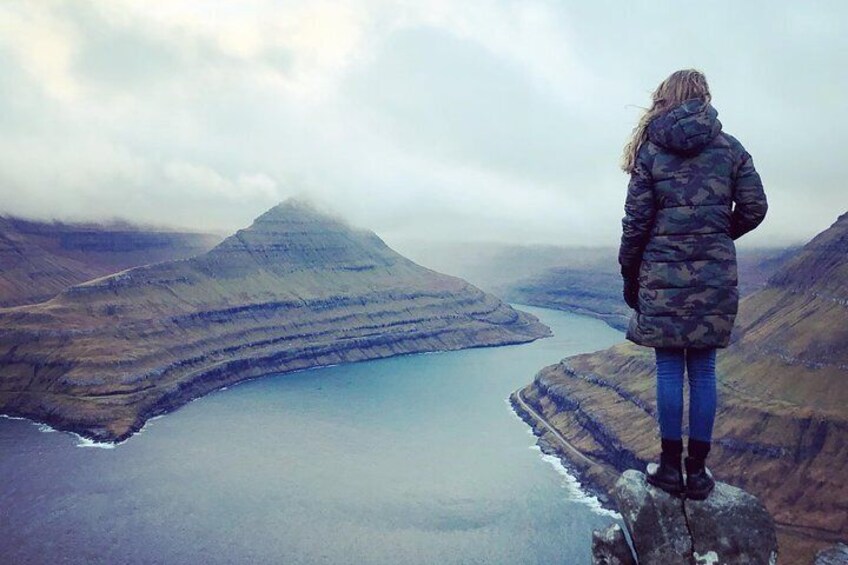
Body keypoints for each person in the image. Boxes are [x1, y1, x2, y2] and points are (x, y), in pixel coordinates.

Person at [618, 69, 768, 499]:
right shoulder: (731, 149)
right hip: (715, 275)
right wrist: (717, 236)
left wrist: (632, 272)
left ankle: (668, 468)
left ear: (664, 99)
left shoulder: (651, 153)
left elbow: (637, 223)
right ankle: (698, 473)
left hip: (661, 274)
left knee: (669, 366)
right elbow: (755, 208)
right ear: (704, 98)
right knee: (702, 370)